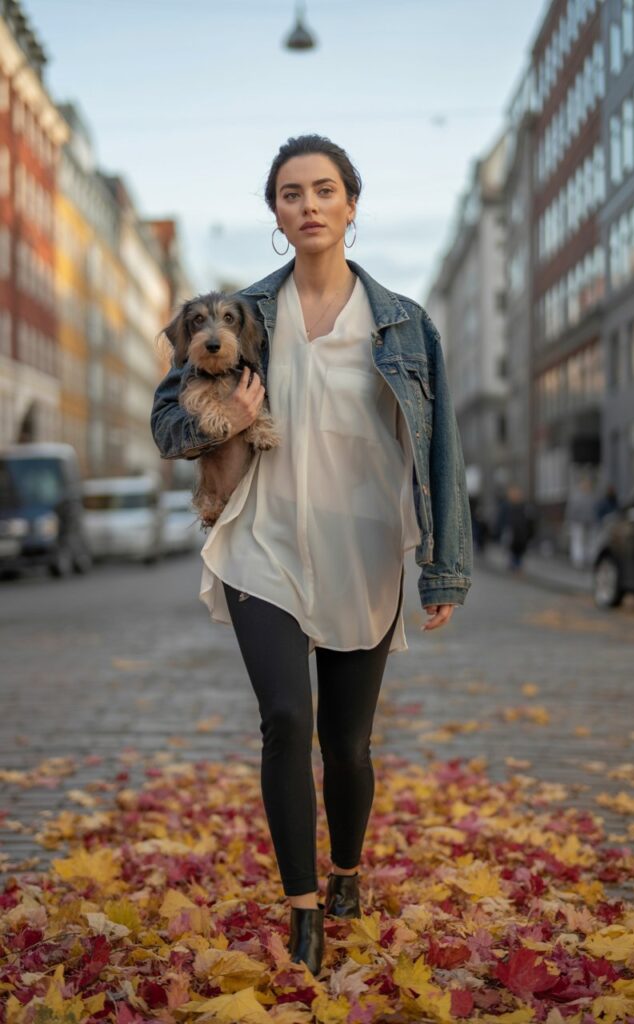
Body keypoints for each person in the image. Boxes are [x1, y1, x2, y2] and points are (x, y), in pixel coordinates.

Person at [150, 134, 473, 976]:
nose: (309, 206)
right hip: (262, 535)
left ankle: (346, 873)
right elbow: (167, 424)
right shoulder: (238, 314)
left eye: (325, 190)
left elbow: (441, 449)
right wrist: (220, 422)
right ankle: (302, 912)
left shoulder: (405, 323)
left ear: (351, 204)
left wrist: (444, 566)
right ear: (276, 212)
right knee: (286, 721)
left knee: (348, 745)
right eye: (292, 194)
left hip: (364, 544)